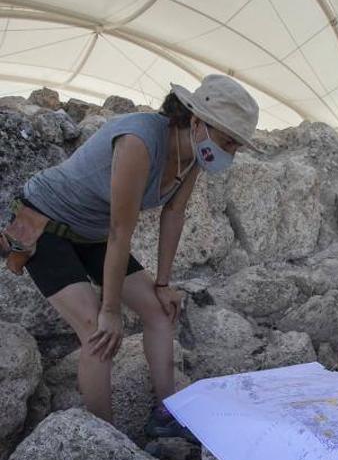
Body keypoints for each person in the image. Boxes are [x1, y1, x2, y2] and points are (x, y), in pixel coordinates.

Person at [2, 74, 259, 440]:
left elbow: (174, 214)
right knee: (98, 330)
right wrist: (110, 310)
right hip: (47, 224)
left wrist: (164, 284)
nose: (230, 153)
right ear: (197, 121)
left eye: (237, 145)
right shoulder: (139, 141)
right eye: (227, 141)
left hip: (93, 233)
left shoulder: (193, 155)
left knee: (160, 311)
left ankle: (166, 414)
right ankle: (106, 440)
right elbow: (121, 232)